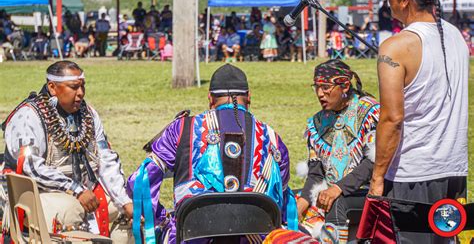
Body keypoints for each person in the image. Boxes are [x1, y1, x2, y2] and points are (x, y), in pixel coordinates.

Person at [127, 64, 297, 243]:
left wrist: (162, 218)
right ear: (249, 97)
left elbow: (141, 180)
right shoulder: (273, 139)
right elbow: (282, 202)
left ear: (210, 98)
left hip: (192, 237)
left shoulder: (182, 128)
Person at [369, 0, 469, 243]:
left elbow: (392, 118)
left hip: (413, 175)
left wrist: (377, 179)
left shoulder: (396, 46)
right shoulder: (455, 36)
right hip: (453, 171)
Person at [1, 61, 133, 241]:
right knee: (72, 210)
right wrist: (76, 189)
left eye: (82, 86)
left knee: (125, 212)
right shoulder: (28, 116)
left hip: (86, 190)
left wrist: (124, 201)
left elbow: (105, 158)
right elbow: (31, 166)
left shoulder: (88, 114)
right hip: (37, 194)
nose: (80, 93)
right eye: (74, 87)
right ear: (52, 87)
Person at [296, 59, 379, 243]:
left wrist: (338, 188)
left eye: (325, 87)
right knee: (290, 211)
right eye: (316, 87)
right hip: (329, 193)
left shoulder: (369, 112)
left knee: (337, 204)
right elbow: (316, 174)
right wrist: (300, 204)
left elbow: (373, 163)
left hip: (366, 192)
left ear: (345, 85)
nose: (319, 93)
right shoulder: (317, 123)